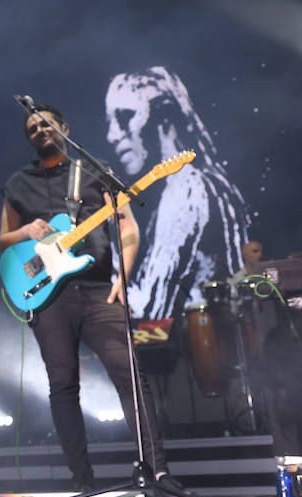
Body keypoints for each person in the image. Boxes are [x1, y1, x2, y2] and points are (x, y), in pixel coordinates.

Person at [0, 105, 174, 493]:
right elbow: (3, 240)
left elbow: (126, 222)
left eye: (45, 123)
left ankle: (158, 472)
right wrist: (26, 230)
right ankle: (83, 483)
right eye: (31, 128)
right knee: (63, 385)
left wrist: (123, 277)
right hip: (49, 297)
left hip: (99, 289)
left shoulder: (95, 171)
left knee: (130, 375)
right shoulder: (18, 183)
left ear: (64, 128)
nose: (39, 130)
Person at [104, 66, 250, 321]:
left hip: (198, 334)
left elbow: (150, 310)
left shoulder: (186, 191)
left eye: (125, 117)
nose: (112, 135)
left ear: (164, 119)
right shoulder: (190, 185)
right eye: (110, 123)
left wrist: (104, 257)